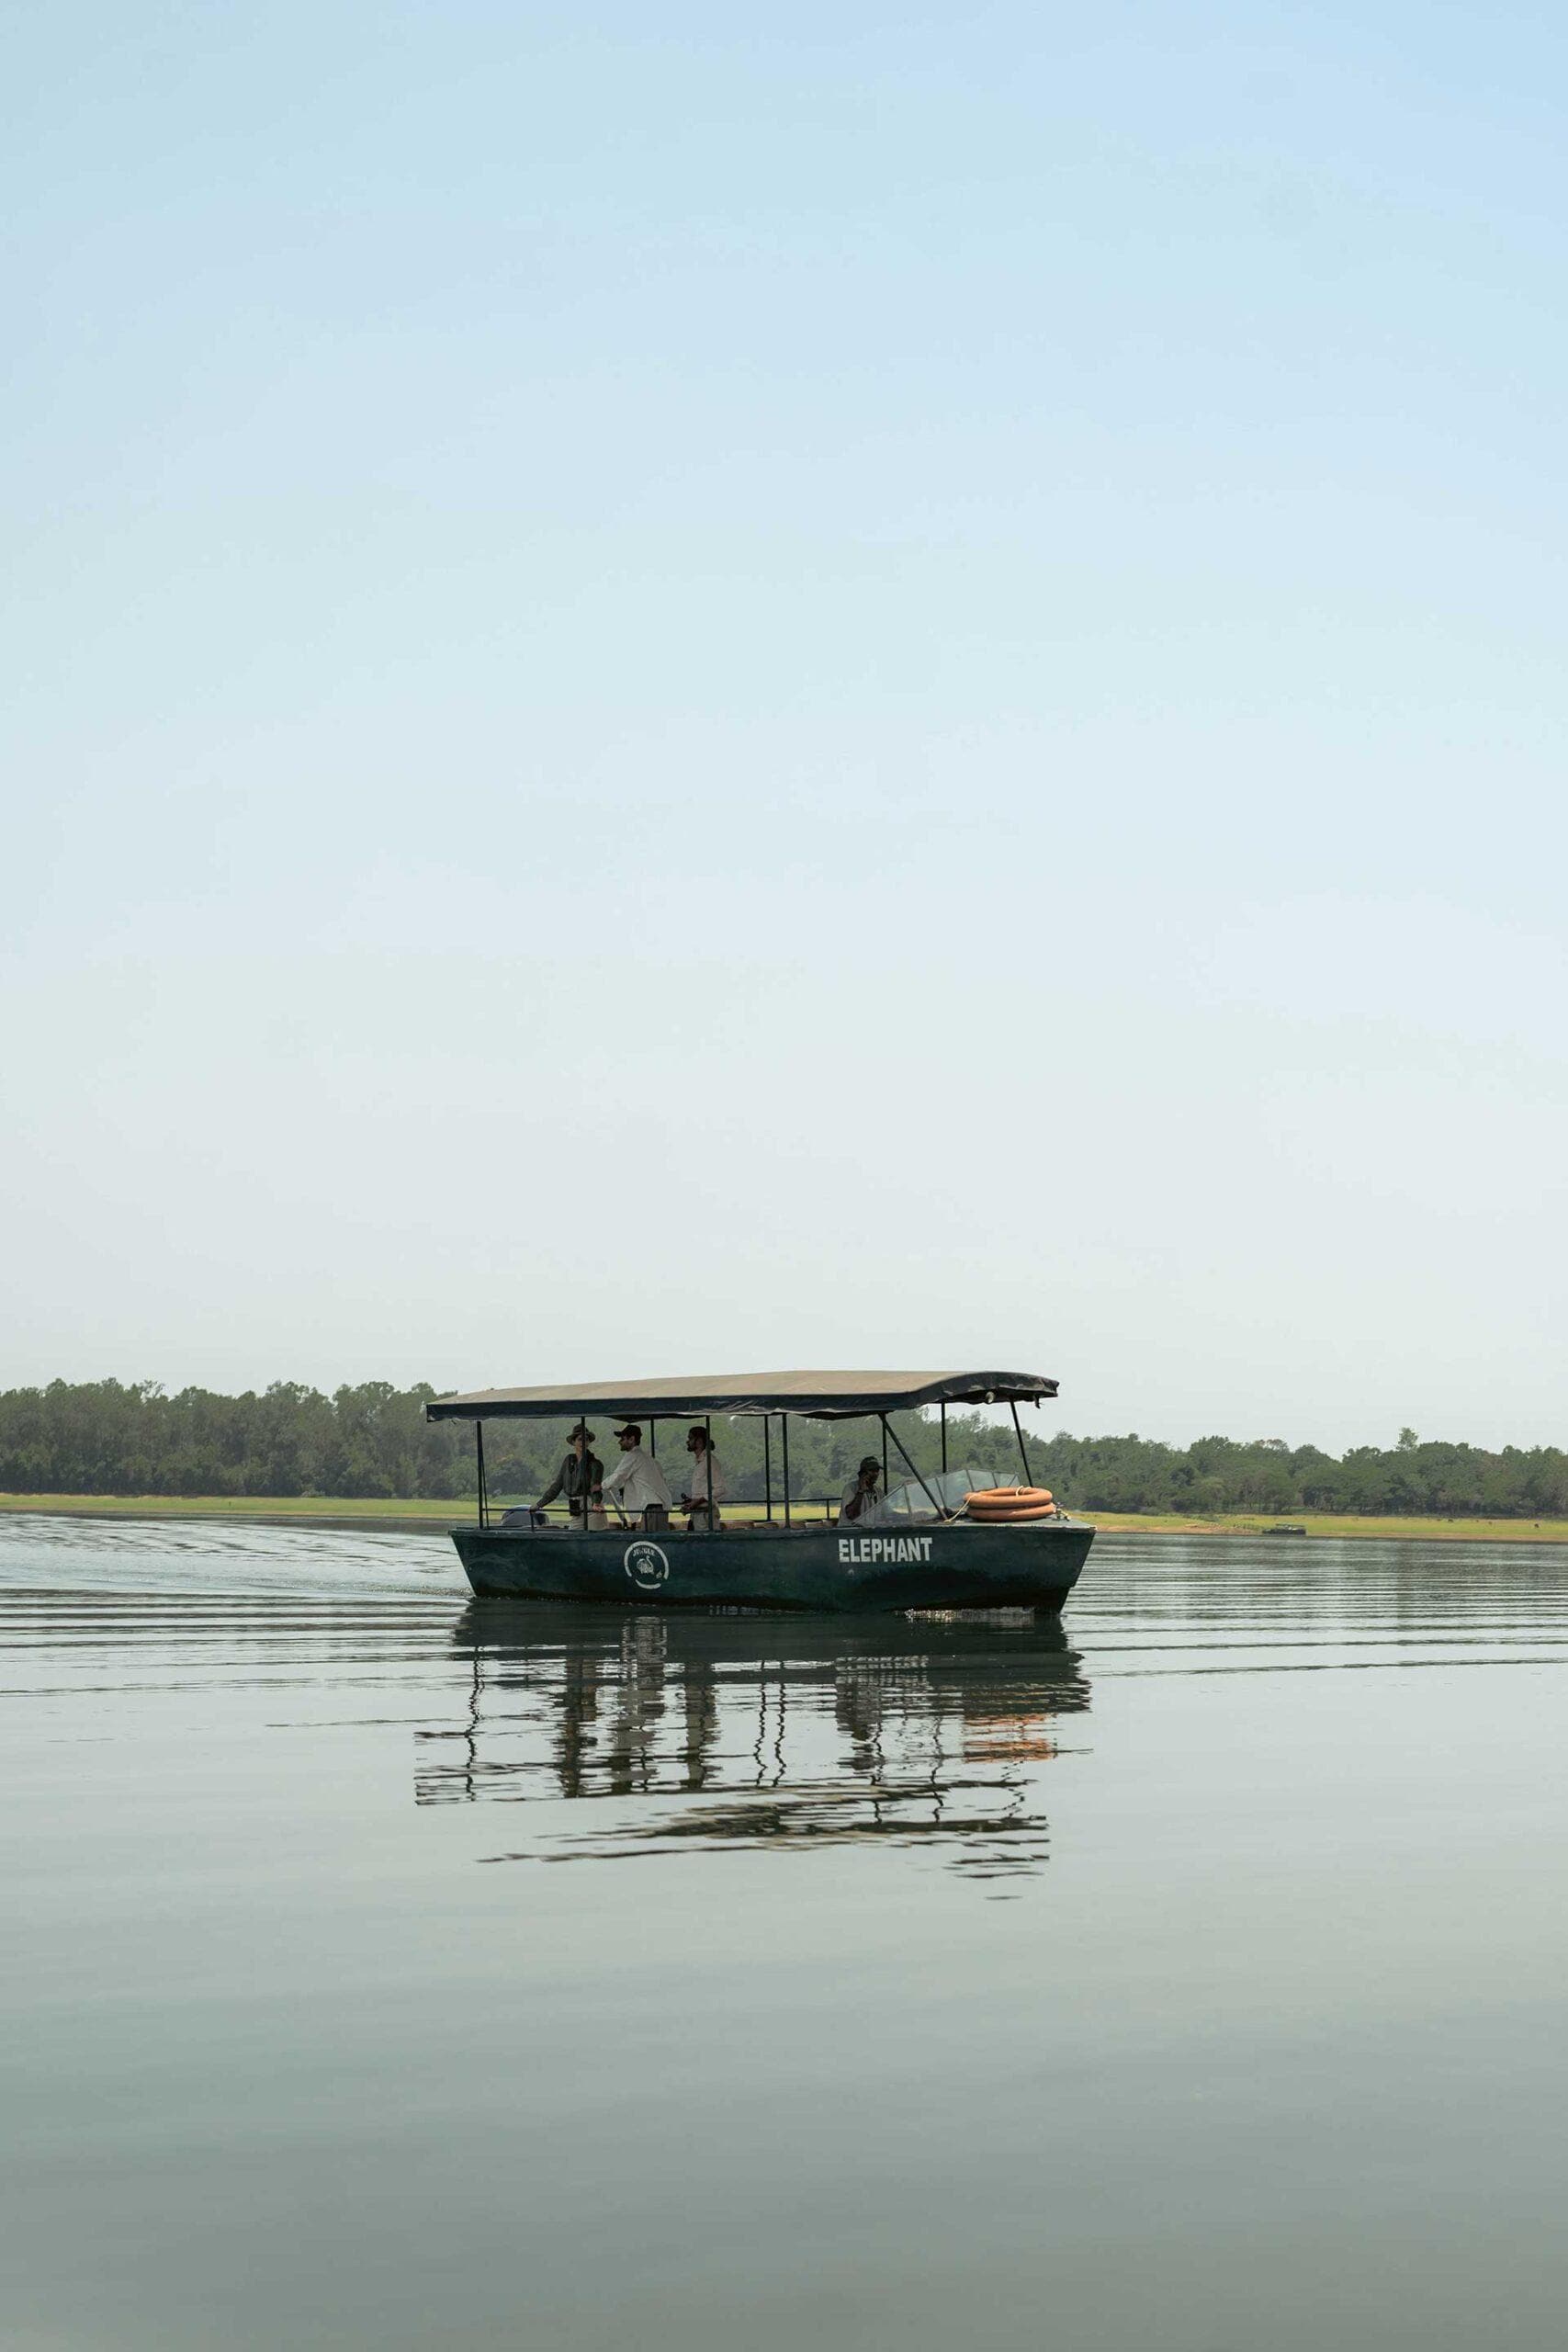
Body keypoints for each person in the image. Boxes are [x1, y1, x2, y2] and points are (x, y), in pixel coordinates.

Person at [600, 1423, 674, 1531]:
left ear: (631, 1439)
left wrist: (601, 1486)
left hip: (652, 1506)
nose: (619, 1442)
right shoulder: (649, 1458)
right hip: (658, 1506)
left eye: (622, 1439)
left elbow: (618, 1475)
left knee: (651, 1542)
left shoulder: (633, 1455)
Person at [535, 1423, 604, 1529]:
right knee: (574, 1536)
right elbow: (557, 1485)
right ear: (573, 1442)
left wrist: (596, 1503)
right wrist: (539, 1505)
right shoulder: (568, 1461)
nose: (583, 1442)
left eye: (586, 1439)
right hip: (574, 1505)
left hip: (590, 1505)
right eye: (580, 1439)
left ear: (589, 1442)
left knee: (593, 1538)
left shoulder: (595, 1463)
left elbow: (595, 1486)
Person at [680, 1426, 727, 1531]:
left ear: (699, 1441)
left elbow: (720, 1489)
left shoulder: (710, 1461)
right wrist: (692, 1503)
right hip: (698, 1514)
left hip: (706, 1515)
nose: (688, 1442)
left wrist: (697, 1502)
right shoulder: (700, 1462)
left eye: (690, 1438)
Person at [840, 1455, 890, 1528]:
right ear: (863, 1473)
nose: (875, 1474)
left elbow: (888, 1513)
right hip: (849, 1533)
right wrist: (861, 1491)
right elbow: (851, 1514)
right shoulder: (850, 1488)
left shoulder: (878, 1491)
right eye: (872, 1471)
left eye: (877, 1471)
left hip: (868, 1532)